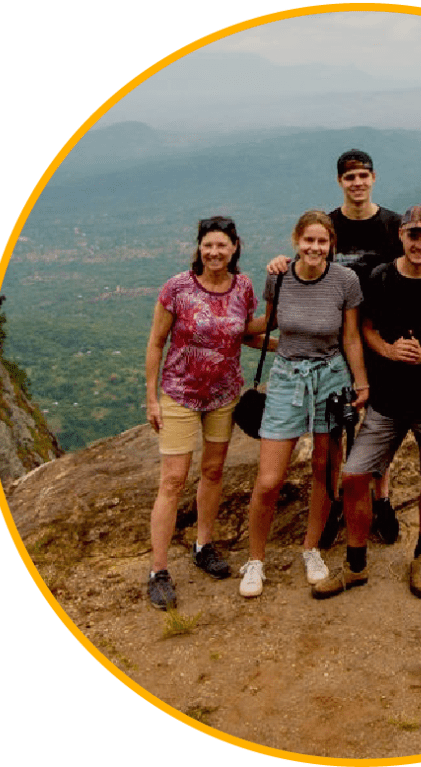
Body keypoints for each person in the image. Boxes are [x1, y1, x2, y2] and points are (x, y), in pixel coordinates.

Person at [267, 149, 421, 545]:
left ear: (373, 179)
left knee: (374, 422)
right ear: (340, 182)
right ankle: (337, 499)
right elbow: (310, 253)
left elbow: (415, 256)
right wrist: (282, 262)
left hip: (377, 333)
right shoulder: (329, 225)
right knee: (335, 428)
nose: (357, 183)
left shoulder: (391, 223)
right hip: (336, 336)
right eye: (349, 177)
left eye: (363, 176)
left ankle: (381, 498)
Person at [311, 205, 421, 600]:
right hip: (387, 400)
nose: (419, 243)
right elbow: (366, 327)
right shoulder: (381, 278)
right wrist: (389, 350)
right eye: (413, 235)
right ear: (401, 235)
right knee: (355, 475)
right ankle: (356, 564)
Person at [239, 210, 369, 598]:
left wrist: (360, 383)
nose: (315, 248)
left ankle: (311, 548)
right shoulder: (278, 277)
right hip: (287, 378)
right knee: (268, 480)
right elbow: (271, 323)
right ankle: (255, 559)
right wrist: (225, 327)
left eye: (322, 242)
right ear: (296, 240)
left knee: (323, 470)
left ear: (331, 245)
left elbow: (350, 337)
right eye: (308, 240)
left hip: (331, 379)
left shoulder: (345, 281)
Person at [145, 215, 270, 610]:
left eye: (222, 246)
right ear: (199, 248)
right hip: (180, 394)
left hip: (224, 394)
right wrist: (151, 399)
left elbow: (244, 334)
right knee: (173, 480)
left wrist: (288, 344)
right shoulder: (178, 288)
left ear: (235, 248)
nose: (214, 252)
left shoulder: (244, 287)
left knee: (213, 471)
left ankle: (203, 544)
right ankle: (158, 569)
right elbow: (156, 343)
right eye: (208, 245)